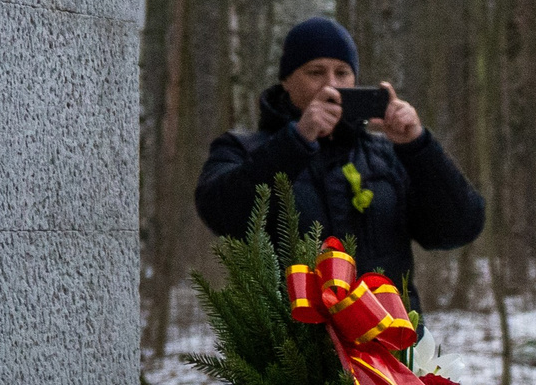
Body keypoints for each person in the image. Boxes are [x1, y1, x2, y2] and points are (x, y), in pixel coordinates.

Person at [196, 16, 485, 316]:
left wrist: (417, 145)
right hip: (291, 348)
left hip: (390, 344)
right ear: (286, 80)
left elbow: (460, 227)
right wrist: (297, 141)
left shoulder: (388, 154)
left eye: (343, 72)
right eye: (316, 72)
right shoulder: (242, 149)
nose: (331, 85)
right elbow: (221, 214)